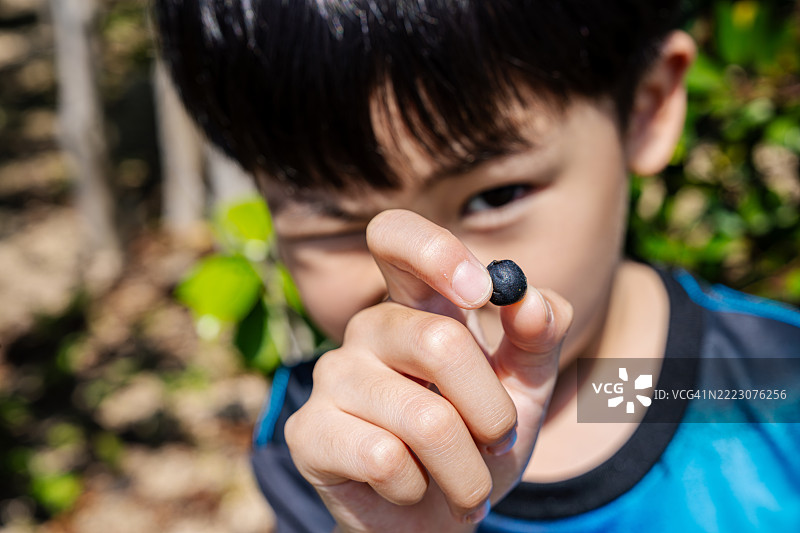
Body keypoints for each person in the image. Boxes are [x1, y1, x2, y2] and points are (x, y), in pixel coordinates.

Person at [153, 1, 800, 531]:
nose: (427, 275)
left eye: (496, 196)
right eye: (339, 224)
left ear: (645, 108)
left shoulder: (779, 384)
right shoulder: (325, 448)